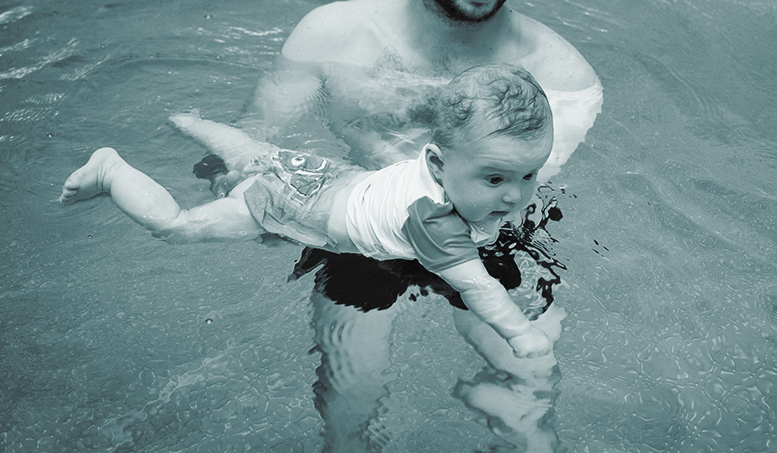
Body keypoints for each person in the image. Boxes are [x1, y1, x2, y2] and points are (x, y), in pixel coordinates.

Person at [199, 0, 602, 450]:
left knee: (532, 398)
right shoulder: (332, 38)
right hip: (359, 232)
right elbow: (251, 142)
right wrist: (249, 193)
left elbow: (523, 197)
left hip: (491, 238)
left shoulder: (561, 76)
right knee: (349, 408)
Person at [62, 65, 556, 358]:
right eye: (496, 179)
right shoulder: (436, 221)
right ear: (437, 164)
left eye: (529, 175)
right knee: (178, 227)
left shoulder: (441, 166)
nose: (516, 196)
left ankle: (191, 123)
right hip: (290, 207)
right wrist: (520, 332)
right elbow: (479, 286)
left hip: (321, 175)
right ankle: (111, 171)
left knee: (253, 150)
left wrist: (492, 189)